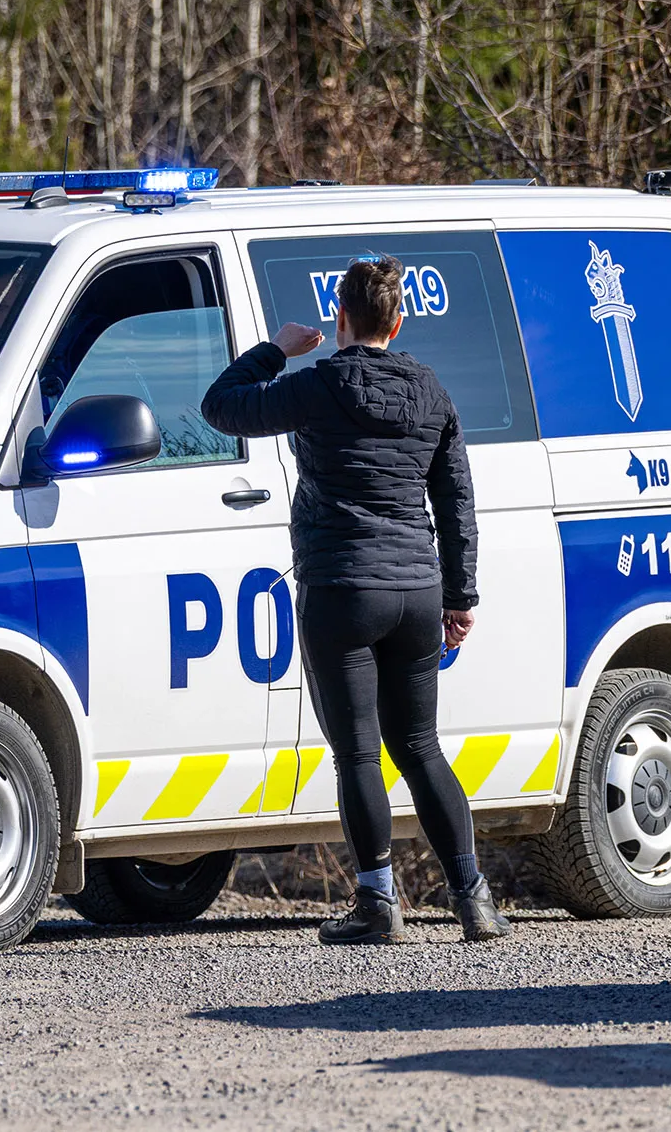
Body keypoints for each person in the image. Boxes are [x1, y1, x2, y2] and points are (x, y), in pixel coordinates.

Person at [201, 255, 509, 945]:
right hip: (417, 591)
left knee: (360, 756)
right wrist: (460, 597)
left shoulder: (318, 385)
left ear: (341, 320)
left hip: (343, 586)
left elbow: (221, 407)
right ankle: (475, 900)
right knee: (422, 746)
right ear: (397, 323)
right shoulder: (432, 391)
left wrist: (275, 350)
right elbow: (457, 503)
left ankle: (378, 903)